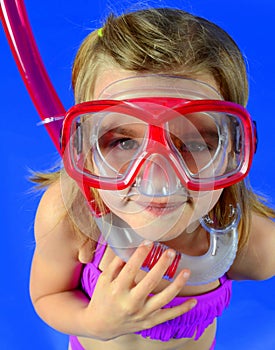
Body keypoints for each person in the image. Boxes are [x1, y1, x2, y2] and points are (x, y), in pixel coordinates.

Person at [29, 7, 275, 350]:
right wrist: (93, 322)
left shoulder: (245, 238)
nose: (158, 177)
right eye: (124, 141)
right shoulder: (72, 216)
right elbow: (47, 295)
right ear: (84, 148)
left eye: (193, 142)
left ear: (232, 150)